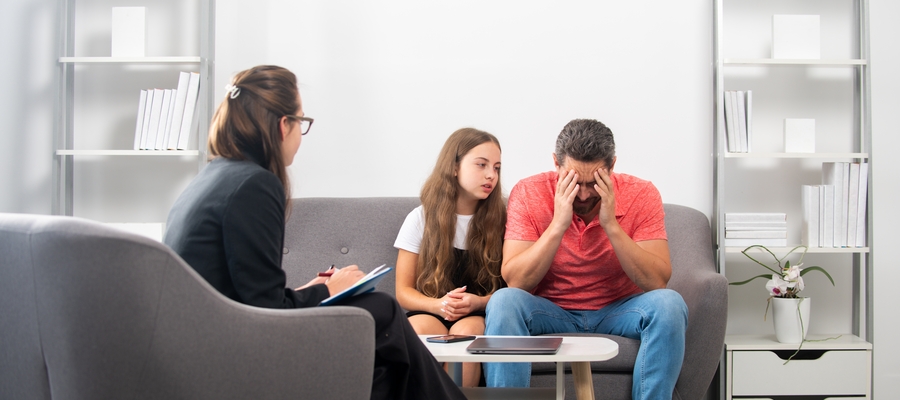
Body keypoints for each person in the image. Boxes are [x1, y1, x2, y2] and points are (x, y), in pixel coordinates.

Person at [163, 65, 466, 400]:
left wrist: (312, 288)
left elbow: (248, 296)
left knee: (384, 366)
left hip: (205, 341)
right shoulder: (255, 185)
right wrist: (328, 291)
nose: (300, 134)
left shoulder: (212, 177)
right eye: (302, 122)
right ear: (283, 125)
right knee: (383, 308)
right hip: (235, 348)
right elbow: (266, 312)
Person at [483, 119, 688, 399]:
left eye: (594, 183)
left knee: (670, 304)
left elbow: (657, 282)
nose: (583, 194)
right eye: (574, 181)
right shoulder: (529, 192)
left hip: (619, 311)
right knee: (503, 301)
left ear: (612, 166)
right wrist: (558, 224)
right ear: (556, 163)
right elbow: (516, 281)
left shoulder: (642, 193)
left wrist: (611, 225)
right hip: (551, 310)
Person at [393, 128, 507, 387]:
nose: (491, 175)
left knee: (464, 335)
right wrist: (439, 306)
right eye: (481, 165)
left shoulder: (503, 220)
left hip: (479, 311)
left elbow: (513, 289)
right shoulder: (420, 218)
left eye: (497, 167)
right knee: (418, 330)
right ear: (454, 167)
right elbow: (403, 291)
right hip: (431, 308)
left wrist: (477, 303)